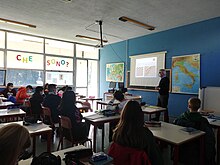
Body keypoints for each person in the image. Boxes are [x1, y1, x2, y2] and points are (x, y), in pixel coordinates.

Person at [109, 100, 163, 165]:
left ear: (123, 114)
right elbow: (156, 159)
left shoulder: (117, 132)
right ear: (140, 115)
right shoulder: (145, 134)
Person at [173, 97, 216, 165]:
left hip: (182, 148)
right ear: (199, 107)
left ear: (189, 106)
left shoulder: (180, 118)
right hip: (198, 149)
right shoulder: (203, 121)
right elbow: (209, 139)